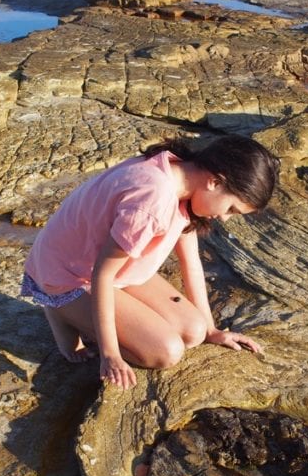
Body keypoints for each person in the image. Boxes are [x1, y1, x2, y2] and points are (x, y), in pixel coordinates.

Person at [21, 135, 280, 390]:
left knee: (194, 330)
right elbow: (102, 274)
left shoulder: (181, 174)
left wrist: (212, 330)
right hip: (71, 276)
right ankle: (60, 311)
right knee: (165, 352)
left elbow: (190, 262)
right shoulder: (152, 201)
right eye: (232, 209)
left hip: (115, 269)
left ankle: (84, 316)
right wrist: (110, 354)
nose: (225, 218)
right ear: (214, 181)